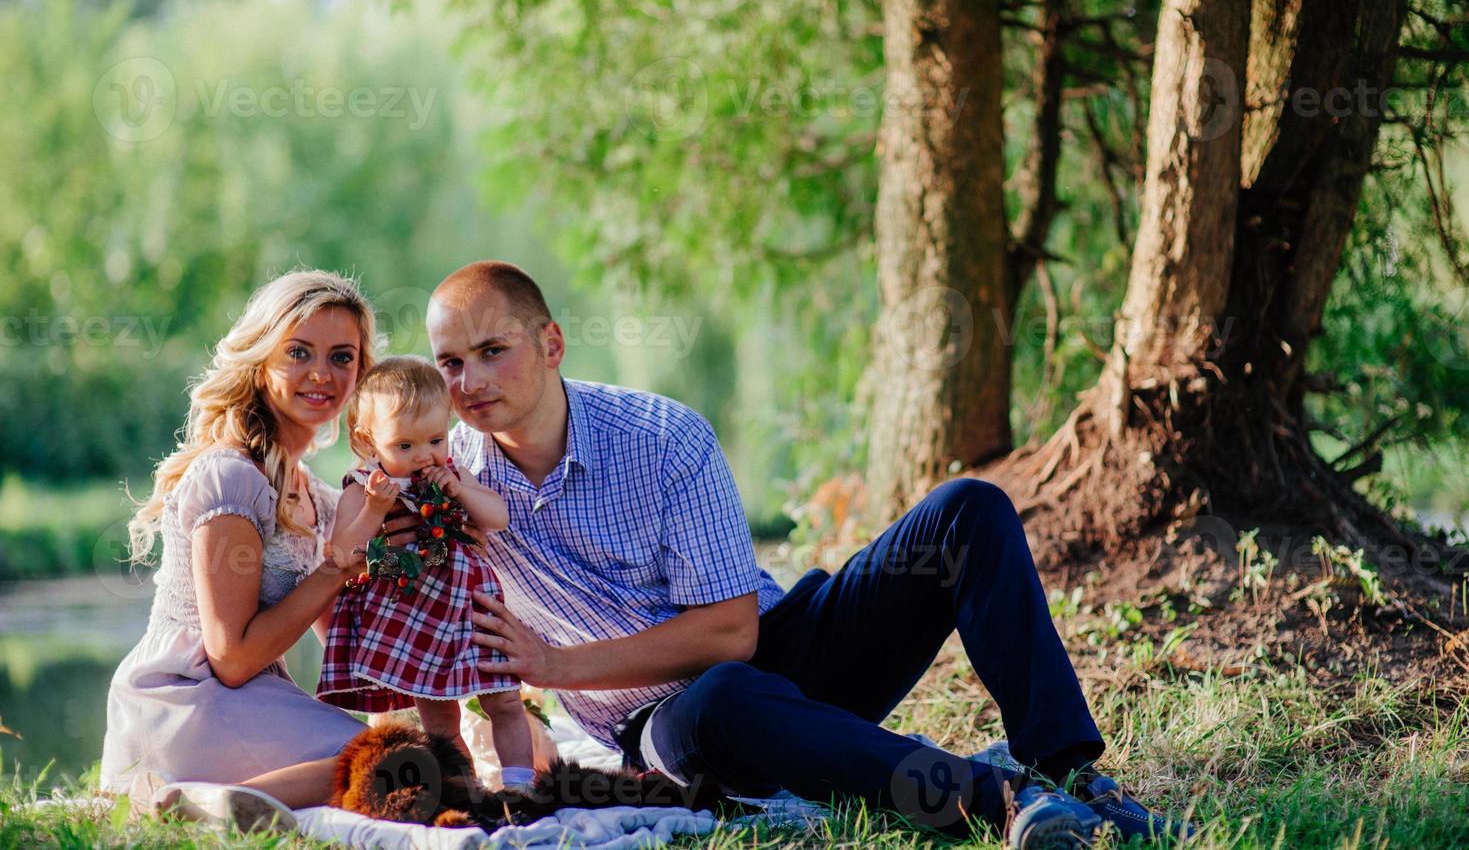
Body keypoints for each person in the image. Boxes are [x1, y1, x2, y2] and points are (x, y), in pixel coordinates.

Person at [435, 260, 1194, 846]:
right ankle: (1005, 803)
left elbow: (733, 632)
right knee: (725, 696)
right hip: (676, 726)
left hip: (783, 649)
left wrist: (555, 665)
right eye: (449, 363)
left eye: (492, 351)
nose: (468, 382)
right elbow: (357, 513)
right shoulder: (445, 481)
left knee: (967, 510)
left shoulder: (661, 437)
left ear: (551, 343)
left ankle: (1067, 772)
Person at [99, 270, 489, 831]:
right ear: (261, 361)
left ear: (361, 374)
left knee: (429, 756)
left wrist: (445, 681)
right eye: (299, 352)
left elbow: (343, 632)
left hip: (248, 700)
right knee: (405, 763)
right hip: (187, 700)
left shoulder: (321, 496)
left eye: (342, 358)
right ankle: (201, 803)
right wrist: (337, 567)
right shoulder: (231, 478)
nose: (321, 374)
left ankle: (228, 801)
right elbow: (230, 658)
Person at [315, 355, 536, 788]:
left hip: (471, 605)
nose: (423, 456)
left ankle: (521, 789)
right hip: (413, 611)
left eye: (435, 439)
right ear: (367, 440)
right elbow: (341, 551)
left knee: (506, 701)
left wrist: (461, 491)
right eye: (404, 446)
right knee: (439, 717)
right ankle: (466, 793)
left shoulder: (451, 471)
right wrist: (375, 510)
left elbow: (498, 517)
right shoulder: (363, 486)